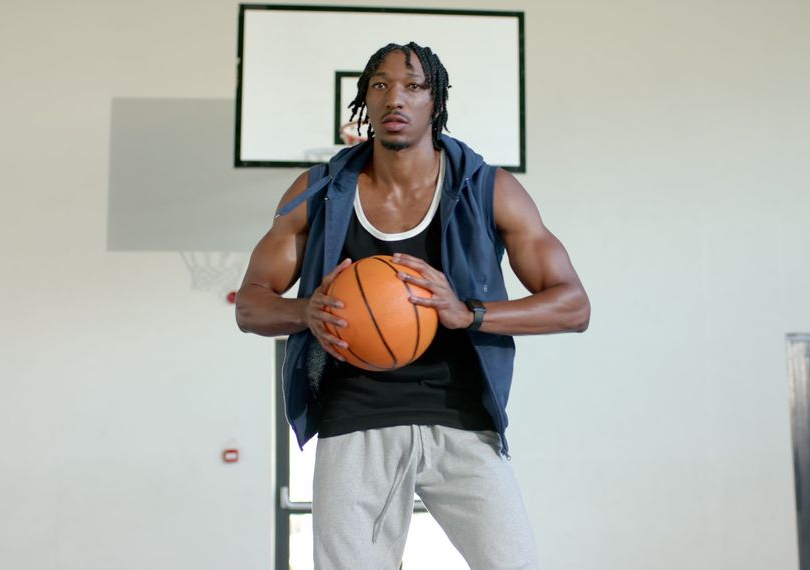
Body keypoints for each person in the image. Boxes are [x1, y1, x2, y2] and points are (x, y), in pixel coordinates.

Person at [236, 42, 589, 570]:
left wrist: (470, 313)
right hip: (355, 416)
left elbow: (573, 306)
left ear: (435, 101)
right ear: (364, 100)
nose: (394, 98)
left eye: (413, 86)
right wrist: (306, 311)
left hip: (461, 416)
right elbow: (250, 306)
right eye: (380, 85)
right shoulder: (321, 192)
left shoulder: (489, 189)